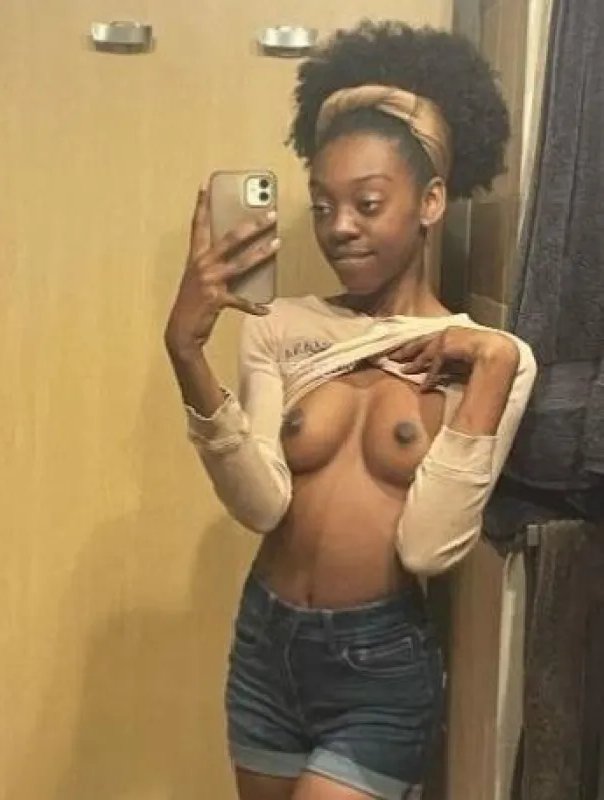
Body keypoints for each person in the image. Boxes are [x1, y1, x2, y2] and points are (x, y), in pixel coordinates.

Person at [164, 20, 537, 800]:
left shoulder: (488, 355)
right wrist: (188, 355)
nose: (339, 227)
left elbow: (430, 549)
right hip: (266, 646)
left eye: (367, 203)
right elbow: (262, 505)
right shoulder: (281, 326)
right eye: (324, 205)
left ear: (431, 201)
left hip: (381, 666)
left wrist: (495, 367)